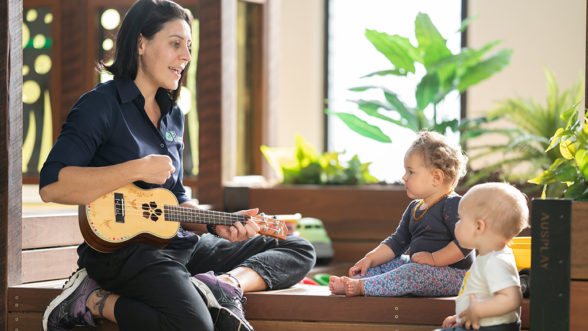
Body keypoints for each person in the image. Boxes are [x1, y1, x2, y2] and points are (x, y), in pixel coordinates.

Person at [39, 1, 316, 330]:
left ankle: (224, 286)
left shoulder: (173, 114)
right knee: (197, 326)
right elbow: (52, 184)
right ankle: (90, 300)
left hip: (178, 242)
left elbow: (176, 200)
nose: (185, 56)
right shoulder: (100, 105)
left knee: (298, 247)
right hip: (123, 253)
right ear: (141, 43)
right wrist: (137, 169)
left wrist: (216, 225)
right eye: (175, 44)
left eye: (188, 46)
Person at [329, 131, 473, 297]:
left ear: (436, 177)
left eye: (411, 172)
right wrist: (371, 258)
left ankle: (363, 287)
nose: (404, 177)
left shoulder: (452, 204)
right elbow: (397, 242)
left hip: (455, 276)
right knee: (388, 263)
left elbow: (466, 243)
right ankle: (357, 281)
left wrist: (434, 259)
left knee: (412, 271)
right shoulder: (414, 207)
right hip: (420, 268)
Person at [436, 183, 528, 331]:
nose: (456, 224)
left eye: (460, 218)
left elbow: (512, 299)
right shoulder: (489, 257)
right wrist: (461, 316)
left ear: (479, 227)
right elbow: (481, 294)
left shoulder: (496, 261)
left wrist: (478, 311)